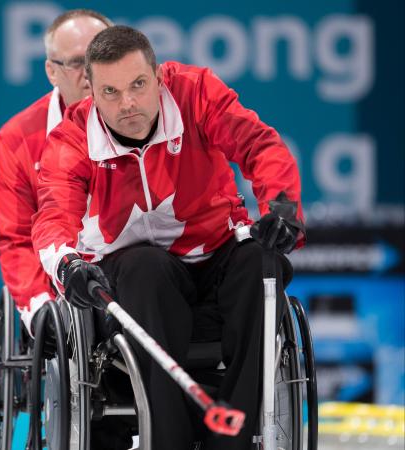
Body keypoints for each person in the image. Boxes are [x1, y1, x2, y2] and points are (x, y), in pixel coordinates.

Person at [32, 25, 305, 450]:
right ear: (91, 93)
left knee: (261, 262)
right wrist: (68, 265)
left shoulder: (197, 94)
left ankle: (234, 440)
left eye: (138, 85)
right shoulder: (72, 138)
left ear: (158, 76)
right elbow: (53, 214)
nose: (128, 104)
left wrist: (282, 208)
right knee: (146, 266)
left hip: (215, 255)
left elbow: (259, 145)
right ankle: (168, 440)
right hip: (136, 284)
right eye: (111, 92)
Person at [0, 9, 112, 343]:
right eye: (76, 63)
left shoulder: (143, 121)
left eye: (101, 57)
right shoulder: (17, 139)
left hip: (131, 276)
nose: (90, 73)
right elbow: (14, 239)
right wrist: (40, 306)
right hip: (62, 287)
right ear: (51, 71)